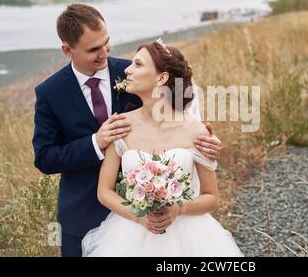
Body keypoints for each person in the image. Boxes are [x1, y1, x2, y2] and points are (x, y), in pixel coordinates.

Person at [32, 4, 223, 257]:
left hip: (166, 222)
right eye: (93, 50)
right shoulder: (50, 92)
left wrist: (207, 141)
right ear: (68, 49)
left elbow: (178, 110)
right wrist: (95, 142)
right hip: (83, 212)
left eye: (106, 43)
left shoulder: (133, 73)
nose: (104, 54)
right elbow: (45, 157)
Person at [81, 40, 243, 256]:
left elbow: (211, 197)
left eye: (138, 64)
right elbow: (104, 192)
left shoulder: (197, 131)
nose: (127, 70)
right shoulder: (120, 125)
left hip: (190, 238)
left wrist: (179, 208)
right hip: (130, 235)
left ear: (162, 77)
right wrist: (139, 216)